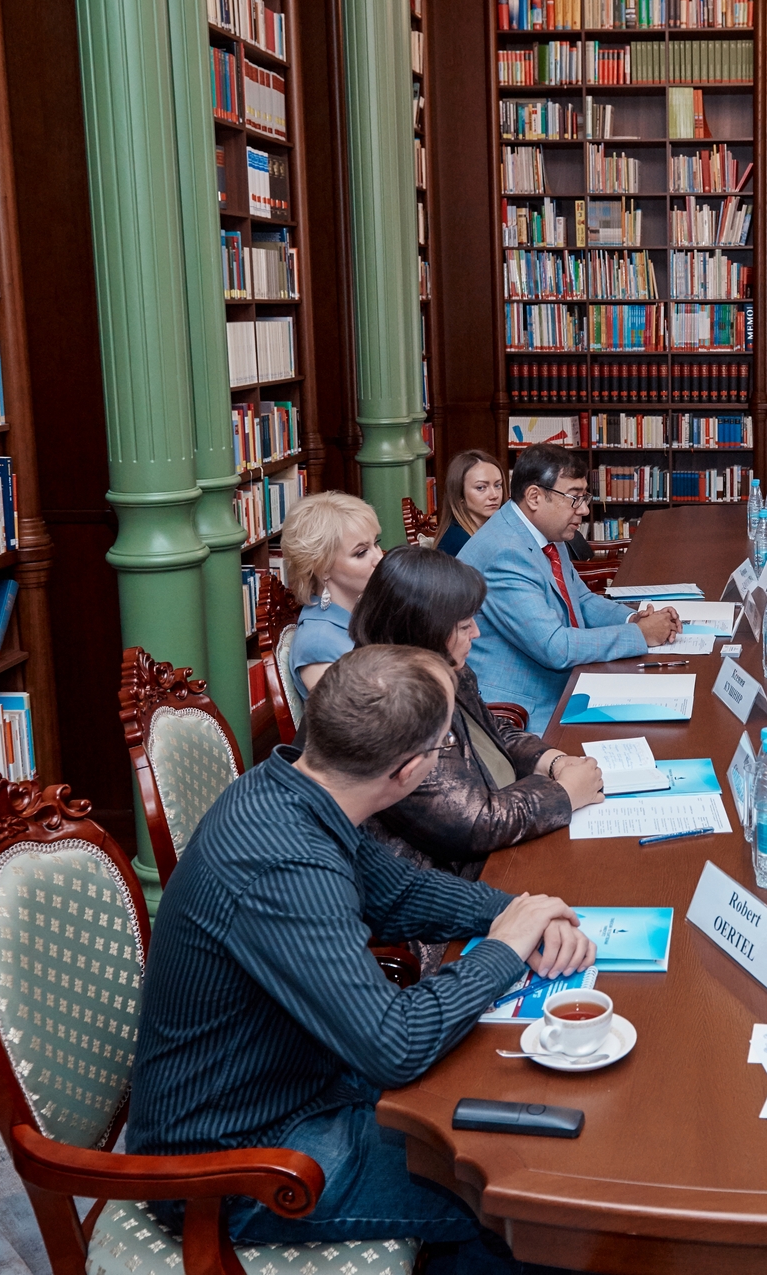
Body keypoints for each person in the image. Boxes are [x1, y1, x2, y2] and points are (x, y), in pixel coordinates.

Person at [129, 644, 598, 1270]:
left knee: (530, 1136)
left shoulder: (299, 786)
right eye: (440, 751)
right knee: (529, 1192)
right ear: (408, 771)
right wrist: (505, 948)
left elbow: (402, 890)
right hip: (241, 1160)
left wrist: (518, 912)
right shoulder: (286, 864)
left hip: (306, 1082)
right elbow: (393, 1044)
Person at [353, 545, 605, 881]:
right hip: (452, 885)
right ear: (423, 628)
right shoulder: (388, 705)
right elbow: (471, 825)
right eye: (463, 625)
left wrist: (553, 760)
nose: (477, 633)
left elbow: (489, 731)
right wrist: (564, 794)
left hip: (500, 837)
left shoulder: (439, 665)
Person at [460, 443, 680, 733]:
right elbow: (555, 647)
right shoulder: (506, 552)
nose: (585, 509)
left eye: (585, 497)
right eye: (575, 498)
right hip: (520, 713)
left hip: (563, 684)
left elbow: (581, 599)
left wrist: (632, 618)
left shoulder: (543, 532)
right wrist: (639, 635)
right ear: (535, 497)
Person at [279, 491, 383, 701]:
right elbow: (357, 723)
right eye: (361, 552)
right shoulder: (318, 645)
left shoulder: (360, 610)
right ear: (322, 568)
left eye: (376, 543)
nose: (379, 558)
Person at [434, 449, 504, 556]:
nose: (494, 495)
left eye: (497, 485)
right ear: (460, 495)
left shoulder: (489, 530)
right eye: (481, 487)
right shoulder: (459, 541)